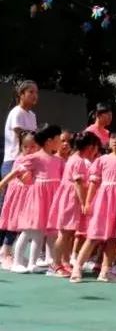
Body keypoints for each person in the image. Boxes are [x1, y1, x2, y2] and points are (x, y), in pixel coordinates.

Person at [70, 125, 116, 283]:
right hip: (104, 201)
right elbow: (93, 183)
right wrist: (87, 202)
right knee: (94, 236)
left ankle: (105, 271)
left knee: (113, 237)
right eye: (113, 137)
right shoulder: (102, 160)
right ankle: (77, 267)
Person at [4, 124, 63, 273]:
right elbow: (18, 171)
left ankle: (32, 263)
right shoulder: (35, 157)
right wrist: (3, 183)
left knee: (40, 232)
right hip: (37, 198)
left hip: (51, 199)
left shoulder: (58, 160)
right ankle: (17, 262)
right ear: (49, 141)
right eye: (58, 139)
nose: (61, 143)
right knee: (29, 230)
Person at [48, 131, 102, 277]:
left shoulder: (74, 158)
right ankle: (55, 264)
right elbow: (78, 184)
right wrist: (84, 203)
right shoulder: (78, 161)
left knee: (68, 233)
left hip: (70, 197)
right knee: (64, 233)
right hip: (70, 198)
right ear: (90, 147)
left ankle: (64, 262)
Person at [1, 81, 38, 263]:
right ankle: (5, 250)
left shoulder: (32, 115)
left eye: (36, 92)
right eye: (30, 92)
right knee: (7, 208)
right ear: (21, 94)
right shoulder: (16, 113)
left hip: (26, 165)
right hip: (13, 163)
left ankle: (7, 249)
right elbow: (25, 137)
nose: (34, 95)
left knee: (19, 209)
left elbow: (34, 140)